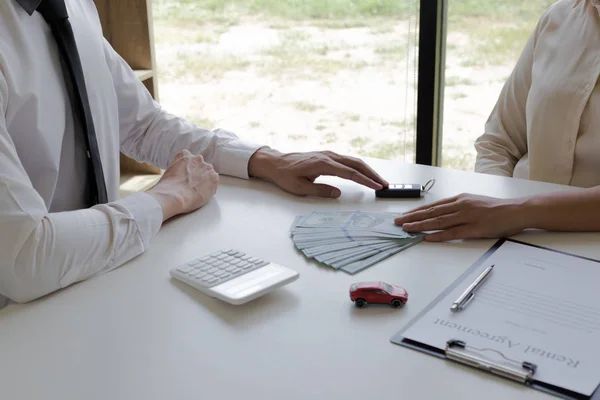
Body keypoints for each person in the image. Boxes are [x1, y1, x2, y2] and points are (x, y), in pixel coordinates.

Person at [0, 0, 388, 307]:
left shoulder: (74, 6)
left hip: (97, 287)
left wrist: (263, 160)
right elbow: (25, 259)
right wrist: (165, 199)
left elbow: (142, 124)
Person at [395, 0, 600, 242]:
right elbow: (498, 143)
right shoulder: (559, 17)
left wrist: (514, 212)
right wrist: (491, 209)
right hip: (514, 238)